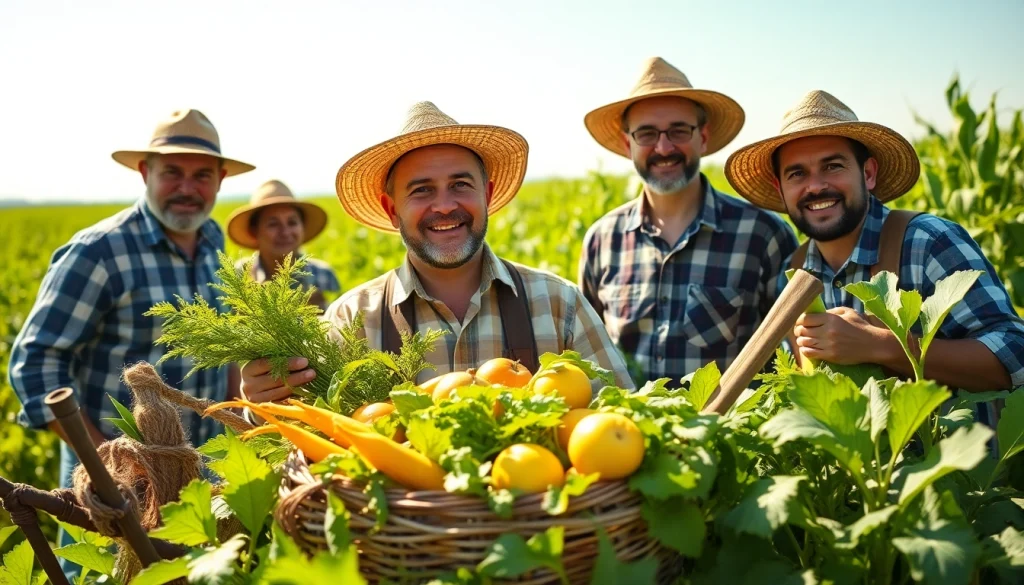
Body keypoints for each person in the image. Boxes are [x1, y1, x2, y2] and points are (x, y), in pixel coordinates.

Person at [239, 101, 634, 404]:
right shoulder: (351, 322)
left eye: (460, 184)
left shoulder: (558, 305)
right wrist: (261, 398)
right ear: (392, 210)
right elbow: (300, 438)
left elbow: (622, 419)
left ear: (488, 195)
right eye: (421, 190)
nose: (444, 206)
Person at [8, 108, 253, 577]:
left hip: (196, 483)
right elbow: (36, 363)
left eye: (202, 174)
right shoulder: (99, 251)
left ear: (221, 180)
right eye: (172, 173)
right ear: (145, 172)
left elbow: (224, 354)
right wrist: (107, 467)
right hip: (113, 491)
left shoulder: (212, 242)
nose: (188, 187)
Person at [723, 89, 1024, 408]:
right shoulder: (793, 276)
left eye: (832, 166)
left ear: (868, 173)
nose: (815, 186)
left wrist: (882, 346)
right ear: (780, 189)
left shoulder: (926, 242)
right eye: (797, 174)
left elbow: (1015, 356)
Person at [579, 56, 799, 386]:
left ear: (703, 137)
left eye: (679, 131)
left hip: (730, 434)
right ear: (628, 144)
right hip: (622, 434)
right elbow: (590, 355)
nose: (664, 147)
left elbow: (795, 355)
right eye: (647, 134)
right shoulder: (602, 241)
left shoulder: (763, 236)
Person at [226, 179, 341, 310]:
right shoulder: (239, 276)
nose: (285, 232)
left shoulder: (322, 275)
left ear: (302, 227)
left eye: (292, 223)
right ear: (254, 231)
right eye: (273, 224)